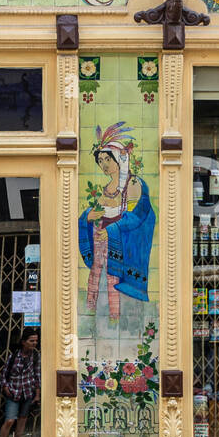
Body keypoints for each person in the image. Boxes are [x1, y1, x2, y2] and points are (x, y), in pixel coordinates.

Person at [80, 123, 155, 321]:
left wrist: (112, 229)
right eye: (100, 160)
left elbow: (137, 215)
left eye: (107, 159)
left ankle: (116, 320)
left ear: (119, 159)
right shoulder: (106, 188)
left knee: (113, 281)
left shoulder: (133, 184)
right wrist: (88, 217)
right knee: (95, 278)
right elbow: (94, 212)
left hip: (118, 244)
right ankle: (90, 316)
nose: (104, 165)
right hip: (99, 241)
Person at [0, 329, 40, 437]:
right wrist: (5, 388)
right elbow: (4, 374)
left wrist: (37, 395)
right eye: (31, 341)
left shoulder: (36, 356)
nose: (34, 343)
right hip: (13, 393)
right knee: (10, 420)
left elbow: (37, 376)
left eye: (36, 341)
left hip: (27, 393)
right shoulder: (14, 356)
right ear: (23, 342)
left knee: (22, 420)